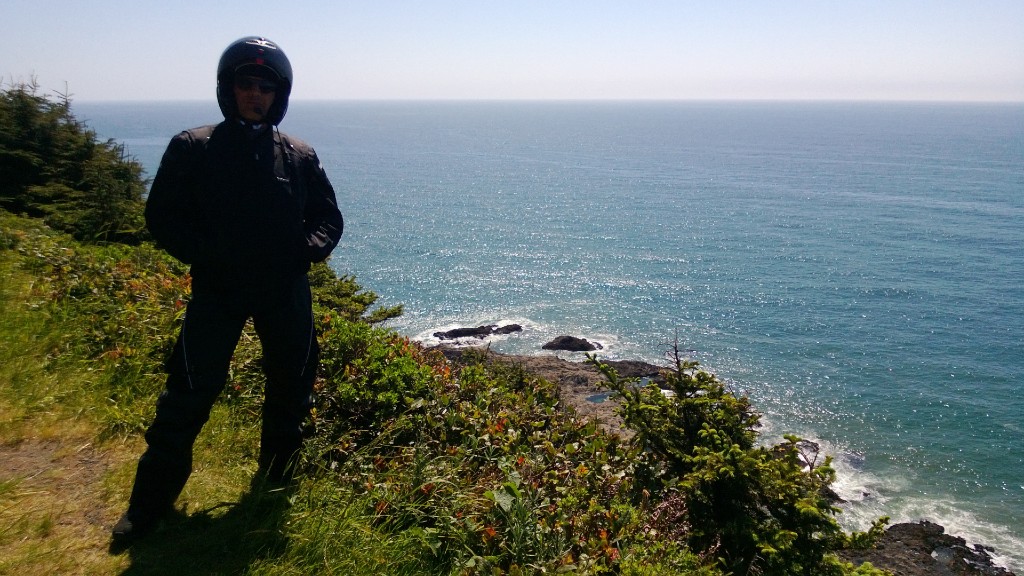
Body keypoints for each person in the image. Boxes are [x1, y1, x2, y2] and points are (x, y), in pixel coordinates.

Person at [112, 36, 344, 543]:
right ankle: (147, 507)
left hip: (285, 291)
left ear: (279, 94)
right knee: (188, 392)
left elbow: (328, 218)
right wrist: (208, 254)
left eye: (265, 86)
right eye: (246, 83)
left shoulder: (299, 155)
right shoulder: (193, 147)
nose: (255, 94)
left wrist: (305, 250)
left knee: (291, 390)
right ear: (228, 87)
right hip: (217, 291)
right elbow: (162, 216)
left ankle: (273, 492)